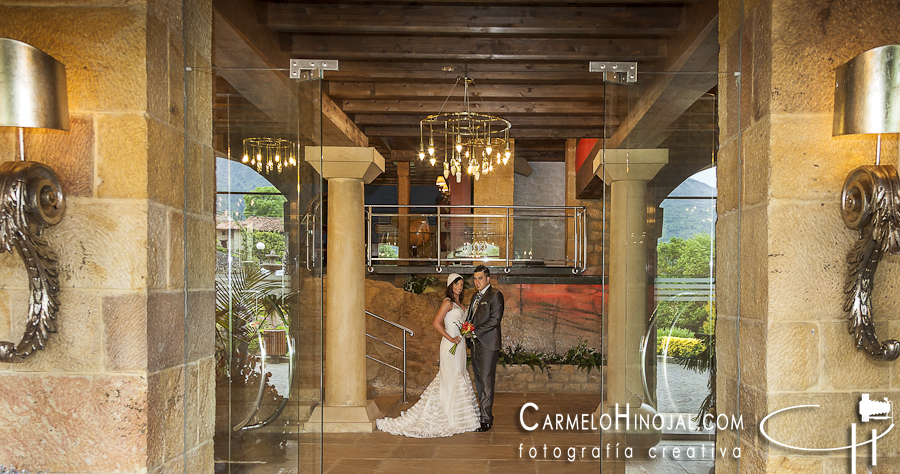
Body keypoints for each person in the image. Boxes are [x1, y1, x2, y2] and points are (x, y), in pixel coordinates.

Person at [376, 273, 480, 437]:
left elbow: (463, 324)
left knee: (459, 374)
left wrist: (466, 333)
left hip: (459, 346)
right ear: (450, 286)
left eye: (461, 284)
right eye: (456, 284)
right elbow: (436, 323)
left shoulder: (461, 305)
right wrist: (450, 337)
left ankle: (460, 416)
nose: (459, 287)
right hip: (449, 345)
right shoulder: (447, 303)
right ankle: (447, 415)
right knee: (450, 377)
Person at [466, 265, 504, 432]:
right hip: (475, 344)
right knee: (480, 381)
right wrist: (466, 331)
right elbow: (470, 318)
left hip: (488, 344)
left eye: (480, 278)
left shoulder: (495, 295)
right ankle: (483, 413)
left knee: (487, 381)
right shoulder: (475, 296)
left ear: (488, 279)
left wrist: (474, 331)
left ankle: (486, 419)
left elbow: (495, 320)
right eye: (475, 279)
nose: (477, 282)